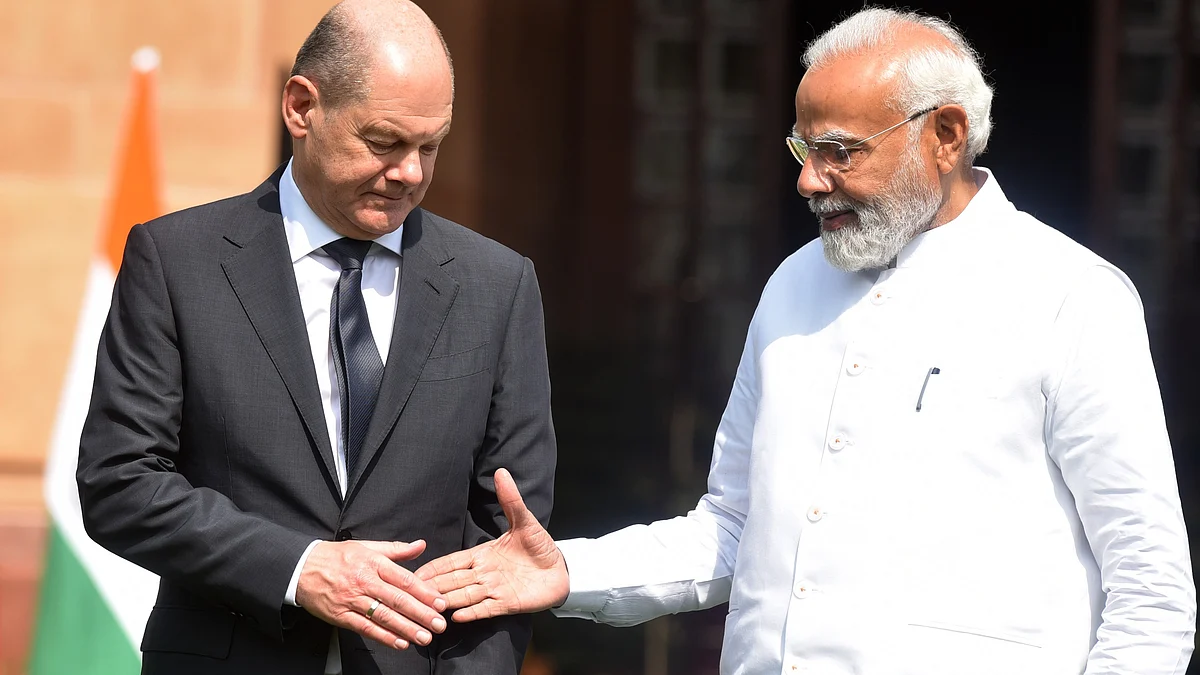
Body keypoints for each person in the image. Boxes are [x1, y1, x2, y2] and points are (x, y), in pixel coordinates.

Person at [416, 8, 1196, 675]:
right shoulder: (795, 281)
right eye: (803, 149)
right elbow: (731, 527)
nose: (809, 180)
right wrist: (568, 570)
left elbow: (1151, 587)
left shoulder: (1067, 294)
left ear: (947, 136)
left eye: (839, 151)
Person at [76, 1, 556, 673]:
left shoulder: (497, 286)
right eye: (386, 140)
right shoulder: (176, 261)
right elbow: (119, 482)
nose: (412, 173)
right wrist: (298, 568)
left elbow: (508, 546)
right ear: (303, 107)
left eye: (431, 146)